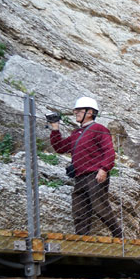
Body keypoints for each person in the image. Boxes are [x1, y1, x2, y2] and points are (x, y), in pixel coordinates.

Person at [49, 97, 120, 237]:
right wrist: (55, 129)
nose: (76, 112)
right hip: (80, 176)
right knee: (79, 209)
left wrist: (104, 169)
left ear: (90, 112)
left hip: (95, 175)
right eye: (76, 110)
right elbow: (60, 147)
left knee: (100, 207)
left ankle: (119, 236)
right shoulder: (76, 133)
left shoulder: (99, 129)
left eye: (79, 110)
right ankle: (83, 239)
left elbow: (109, 152)